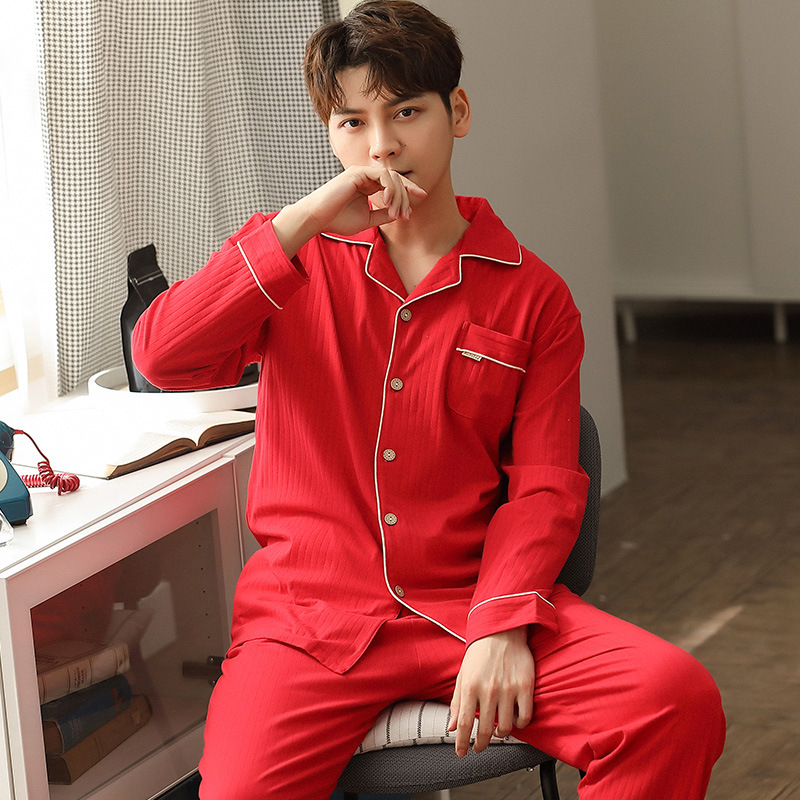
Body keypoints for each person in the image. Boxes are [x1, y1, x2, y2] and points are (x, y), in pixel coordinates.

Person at [132, 2, 726, 797]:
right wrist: (305, 219)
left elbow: (545, 486)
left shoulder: (536, 298)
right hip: (309, 624)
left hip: (471, 604)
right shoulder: (295, 260)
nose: (380, 146)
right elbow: (160, 357)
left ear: (459, 113)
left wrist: (503, 623)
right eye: (352, 123)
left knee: (673, 700)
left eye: (406, 112)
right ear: (330, 136)